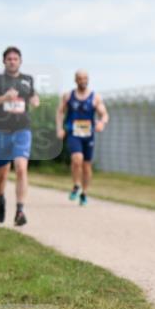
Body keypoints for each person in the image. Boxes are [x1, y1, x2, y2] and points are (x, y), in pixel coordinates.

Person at [0, 46, 40, 226]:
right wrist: (3, 99)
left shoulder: (27, 80)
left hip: (22, 130)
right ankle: (1, 198)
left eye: (15, 58)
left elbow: (33, 96)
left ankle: (20, 210)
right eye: (9, 59)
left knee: (21, 167)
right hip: (1, 131)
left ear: (20, 61)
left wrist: (36, 99)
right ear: (4, 61)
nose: (12, 61)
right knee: (2, 174)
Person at [56, 69, 109, 206]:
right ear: (75, 80)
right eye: (80, 78)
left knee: (86, 166)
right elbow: (60, 112)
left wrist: (102, 123)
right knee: (76, 158)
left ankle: (84, 193)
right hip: (74, 134)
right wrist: (60, 128)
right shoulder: (68, 96)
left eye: (85, 78)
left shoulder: (95, 97)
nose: (83, 81)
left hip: (88, 135)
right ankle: (76, 185)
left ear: (88, 79)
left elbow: (104, 114)